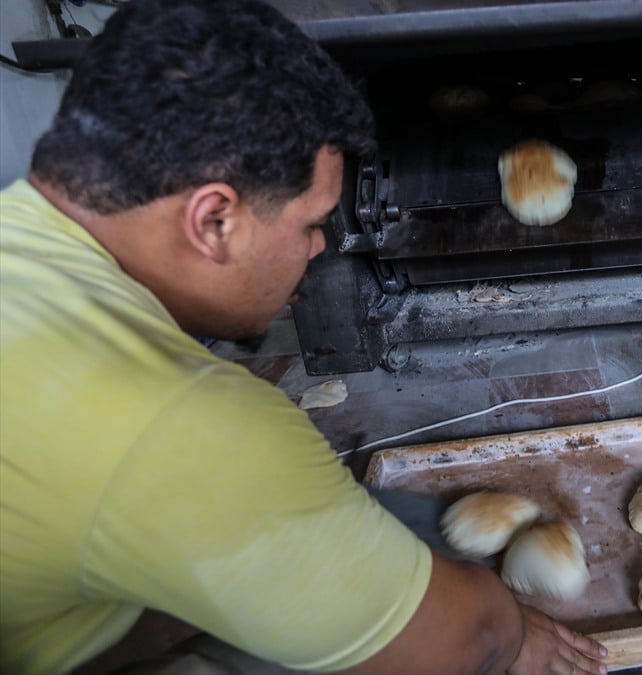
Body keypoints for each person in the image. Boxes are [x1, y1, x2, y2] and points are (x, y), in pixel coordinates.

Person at [0, 2, 608, 674]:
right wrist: (511, 628)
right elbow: (467, 643)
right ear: (215, 221)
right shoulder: (178, 419)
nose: (322, 248)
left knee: (397, 523)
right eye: (312, 224)